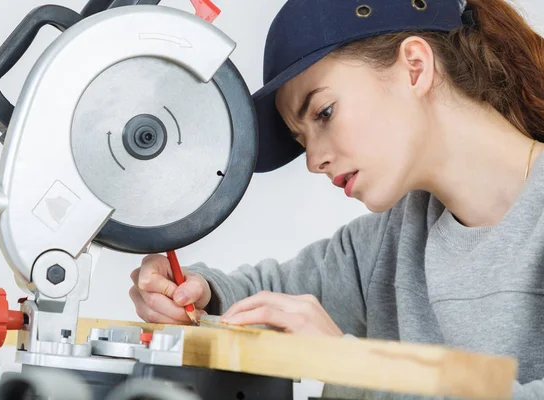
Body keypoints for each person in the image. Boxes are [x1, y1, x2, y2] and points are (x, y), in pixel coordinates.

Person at [129, 0, 544, 398]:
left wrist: (353, 366)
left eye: (323, 112)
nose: (313, 161)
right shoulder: (391, 242)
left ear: (415, 67)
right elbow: (266, 295)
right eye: (300, 138)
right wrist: (195, 292)